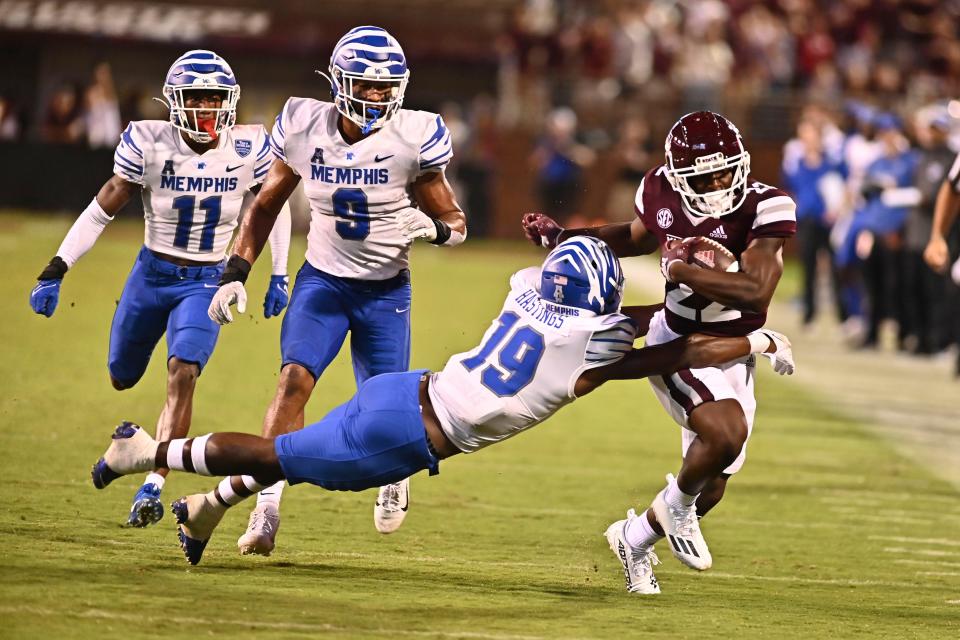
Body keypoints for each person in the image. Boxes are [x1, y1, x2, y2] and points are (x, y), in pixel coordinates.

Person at [91, 237, 795, 573]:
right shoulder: (584, 348)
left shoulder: (527, 287)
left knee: (296, 459)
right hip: (408, 435)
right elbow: (669, 351)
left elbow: (611, 309)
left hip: (410, 390)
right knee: (284, 456)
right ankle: (144, 452)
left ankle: (208, 508)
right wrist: (751, 337)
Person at [205, 26, 468, 555]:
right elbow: (264, 206)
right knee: (292, 383)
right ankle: (266, 506)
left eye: (387, 85)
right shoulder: (304, 125)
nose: (378, 95)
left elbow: (457, 221)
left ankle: (398, 477)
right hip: (323, 282)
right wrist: (235, 273)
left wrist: (434, 229)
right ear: (340, 81)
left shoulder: (413, 136)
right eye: (368, 85)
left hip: (385, 293)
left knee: (387, 410)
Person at [522, 111, 797, 591]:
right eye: (703, 176)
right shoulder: (661, 191)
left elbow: (755, 293)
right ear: (675, 176)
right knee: (725, 432)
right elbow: (633, 237)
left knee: (712, 482)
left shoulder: (768, 205)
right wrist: (566, 237)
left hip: (731, 347)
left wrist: (682, 271)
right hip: (681, 341)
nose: (716, 184)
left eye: (724, 170)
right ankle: (677, 512)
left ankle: (634, 536)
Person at [29, 50, 292, 527]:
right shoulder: (147, 141)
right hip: (151, 275)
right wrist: (57, 266)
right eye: (198, 98)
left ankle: (154, 482)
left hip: (208, 280)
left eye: (216, 99)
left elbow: (270, 205)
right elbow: (104, 204)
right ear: (175, 101)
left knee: (182, 371)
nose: (208, 109)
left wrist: (279, 271)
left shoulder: (249, 145)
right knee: (121, 375)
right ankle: (126, 446)